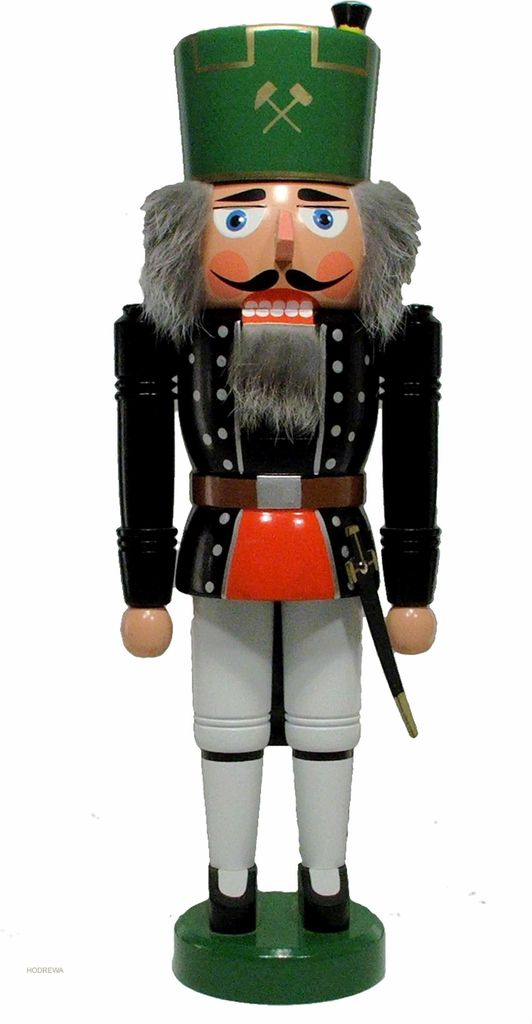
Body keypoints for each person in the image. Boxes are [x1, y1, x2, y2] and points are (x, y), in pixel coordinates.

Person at [115, 3, 441, 941]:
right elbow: (140, 451)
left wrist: (413, 584)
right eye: (243, 212)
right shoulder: (167, 339)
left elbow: (416, 457)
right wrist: (144, 586)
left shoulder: (391, 339)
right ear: (188, 234)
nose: (287, 244)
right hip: (221, 545)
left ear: (376, 236)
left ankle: (327, 876)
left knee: (330, 718)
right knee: (224, 720)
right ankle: (229, 880)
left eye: (324, 214)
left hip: (338, 549)